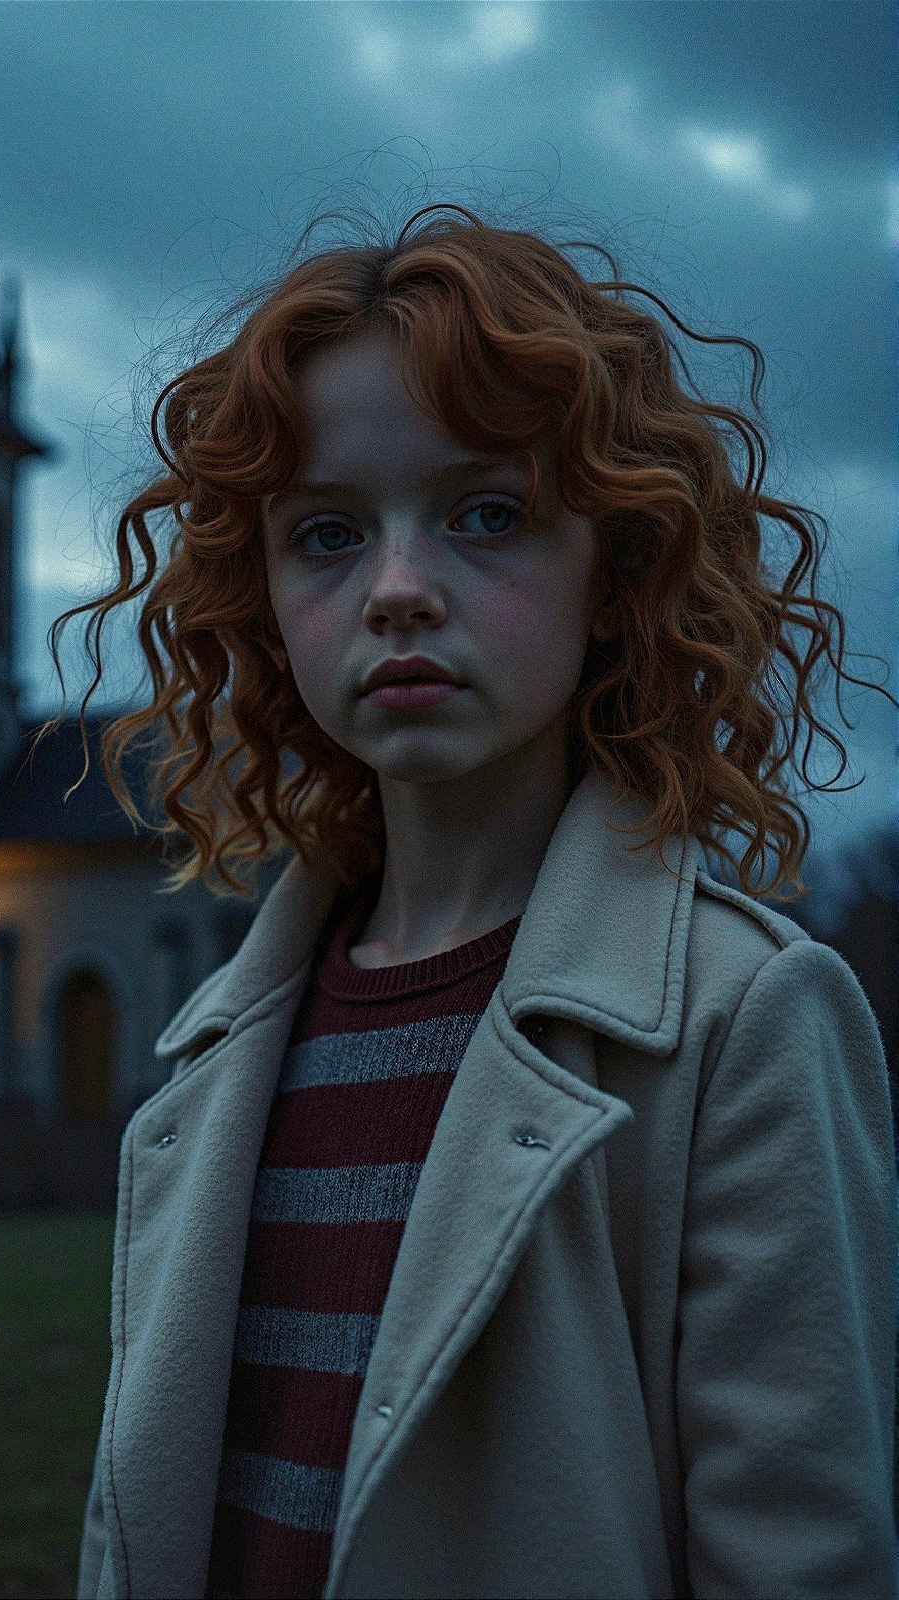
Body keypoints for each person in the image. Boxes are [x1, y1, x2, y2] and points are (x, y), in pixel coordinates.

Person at [51, 203, 897, 1598]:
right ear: (261, 597)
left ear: (617, 571)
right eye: (326, 533)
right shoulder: (214, 1052)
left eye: (485, 514)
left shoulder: (746, 1027)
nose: (396, 589)